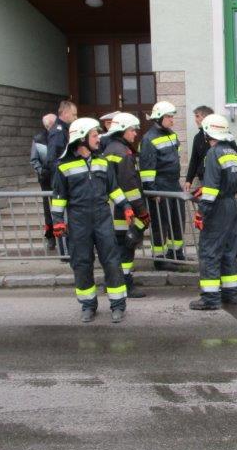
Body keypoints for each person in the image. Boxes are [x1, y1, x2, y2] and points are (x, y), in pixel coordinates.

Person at [50, 117, 132, 323]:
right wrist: (58, 220)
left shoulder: (103, 162)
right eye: (94, 135)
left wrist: (127, 207)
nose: (98, 139)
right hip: (79, 221)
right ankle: (88, 305)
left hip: (102, 218)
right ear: (82, 139)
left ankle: (118, 305)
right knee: (82, 263)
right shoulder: (63, 167)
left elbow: (114, 188)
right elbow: (59, 197)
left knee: (112, 261)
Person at [189, 114, 237, 311]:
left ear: (207, 133)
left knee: (210, 252)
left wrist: (202, 212)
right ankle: (231, 295)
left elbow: (211, 189)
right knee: (229, 251)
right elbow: (230, 181)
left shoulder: (213, 153)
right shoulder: (233, 152)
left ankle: (210, 299)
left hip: (218, 208)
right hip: (230, 204)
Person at [103, 112, 152, 299]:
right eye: (132, 130)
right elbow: (130, 185)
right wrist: (142, 211)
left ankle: (112, 281)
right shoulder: (123, 153)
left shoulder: (110, 149)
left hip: (114, 207)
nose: (135, 134)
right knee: (126, 246)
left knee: (117, 246)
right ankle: (124, 283)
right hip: (125, 210)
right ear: (123, 131)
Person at [139, 100, 186, 270]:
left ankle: (176, 253)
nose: (172, 120)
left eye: (172, 117)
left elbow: (176, 159)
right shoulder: (148, 139)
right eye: (169, 117)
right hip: (159, 188)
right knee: (161, 224)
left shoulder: (171, 135)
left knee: (177, 220)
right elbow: (146, 170)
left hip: (173, 185)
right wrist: (153, 192)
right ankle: (160, 258)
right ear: (159, 118)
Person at [183, 105, 237, 193]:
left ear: (206, 118)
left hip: (221, 176)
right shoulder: (198, 138)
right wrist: (189, 180)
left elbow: (236, 151)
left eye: (197, 116)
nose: (195, 120)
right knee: (209, 201)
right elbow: (194, 160)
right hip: (205, 178)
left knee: (221, 200)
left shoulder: (223, 134)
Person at [30, 112, 57, 250]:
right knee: (48, 209)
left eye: (53, 123)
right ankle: (50, 236)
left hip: (60, 177)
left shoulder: (62, 136)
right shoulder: (38, 139)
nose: (51, 126)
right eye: (49, 124)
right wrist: (41, 171)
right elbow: (34, 160)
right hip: (46, 180)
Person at [46, 100, 78, 177]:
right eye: (74, 115)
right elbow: (53, 158)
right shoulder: (58, 132)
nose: (76, 118)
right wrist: (61, 178)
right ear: (65, 113)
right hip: (62, 176)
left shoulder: (64, 130)